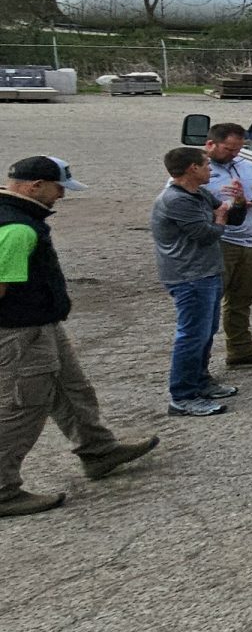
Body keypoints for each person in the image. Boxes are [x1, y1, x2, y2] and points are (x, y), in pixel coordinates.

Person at [1, 157, 157, 516]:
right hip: (19, 332)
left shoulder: (19, 216)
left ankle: (98, 450)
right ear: (35, 185)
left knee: (73, 388)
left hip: (43, 325)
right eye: (59, 189)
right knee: (22, 408)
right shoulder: (17, 228)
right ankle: (3, 490)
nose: (62, 197)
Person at [153, 146, 239, 416]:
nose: (210, 169)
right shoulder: (176, 200)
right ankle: (182, 396)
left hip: (207, 272)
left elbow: (224, 211)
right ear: (192, 169)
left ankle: (201, 381)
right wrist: (222, 217)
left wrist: (229, 206)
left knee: (206, 331)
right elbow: (207, 233)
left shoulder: (198, 193)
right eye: (206, 165)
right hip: (189, 276)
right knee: (191, 336)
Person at [202, 122, 252, 367]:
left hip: (248, 239)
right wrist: (226, 208)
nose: (234, 154)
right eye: (228, 149)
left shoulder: (247, 166)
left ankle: (240, 350)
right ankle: (200, 362)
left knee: (242, 299)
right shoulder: (198, 170)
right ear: (210, 144)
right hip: (219, 242)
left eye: (238, 149)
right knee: (209, 304)